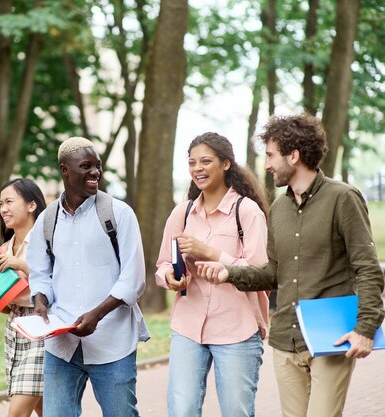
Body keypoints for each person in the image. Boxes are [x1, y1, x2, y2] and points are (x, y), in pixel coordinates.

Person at [195, 114, 384, 417]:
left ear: (294, 156)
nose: (267, 165)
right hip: (285, 339)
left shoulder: (343, 198)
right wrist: (229, 273)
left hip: (330, 338)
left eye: (271, 155)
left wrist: (365, 328)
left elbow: (368, 268)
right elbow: (273, 272)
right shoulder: (279, 208)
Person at [26, 136, 149, 417]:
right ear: (64, 170)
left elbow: (133, 279)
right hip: (62, 347)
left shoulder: (119, 213)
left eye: (98, 166)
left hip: (111, 341)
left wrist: (96, 314)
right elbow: (40, 273)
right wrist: (40, 300)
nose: (95, 173)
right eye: (86, 166)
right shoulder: (47, 220)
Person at [155, 132, 270, 417]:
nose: (198, 169)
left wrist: (212, 253)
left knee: (236, 412)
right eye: (192, 162)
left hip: (237, 330)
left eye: (206, 161)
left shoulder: (247, 212)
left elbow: (261, 273)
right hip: (187, 327)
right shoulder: (182, 213)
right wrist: (170, 277)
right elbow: (163, 264)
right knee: (181, 411)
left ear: (226, 164)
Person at [0, 178, 47, 417]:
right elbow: (10, 303)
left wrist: (21, 264)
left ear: (31, 205)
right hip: (15, 330)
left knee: (17, 413)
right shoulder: (2, 250)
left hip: (43, 329)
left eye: (9, 202)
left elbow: (60, 281)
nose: (3, 209)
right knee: (49, 411)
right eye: (1, 203)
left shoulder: (47, 242)